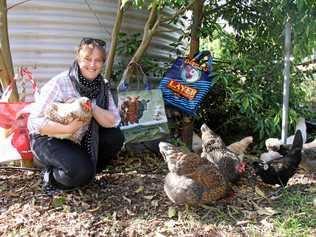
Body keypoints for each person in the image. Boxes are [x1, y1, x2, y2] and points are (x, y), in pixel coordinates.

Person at [28, 37, 124, 193]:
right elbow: (34, 122)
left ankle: (85, 173)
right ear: (78, 58)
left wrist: (91, 106)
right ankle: (52, 176)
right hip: (48, 137)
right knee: (79, 172)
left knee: (115, 137)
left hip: (80, 137)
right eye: (87, 59)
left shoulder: (102, 86)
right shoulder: (60, 83)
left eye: (98, 60)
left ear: (103, 62)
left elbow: (113, 121)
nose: (92, 65)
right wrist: (68, 128)